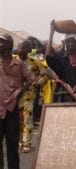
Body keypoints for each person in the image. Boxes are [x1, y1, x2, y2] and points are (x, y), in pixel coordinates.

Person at [0, 33, 35, 169]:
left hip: (12, 108)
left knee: (12, 144)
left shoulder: (19, 64)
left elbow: (31, 78)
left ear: (9, 45)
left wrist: (19, 93)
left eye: (2, 42)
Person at [46, 20, 76, 102]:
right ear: (65, 44)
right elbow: (48, 55)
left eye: (73, 42)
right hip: (66, 95)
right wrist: (52, 32)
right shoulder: (61, 57)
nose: (70, 44)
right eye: (68, 42)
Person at [16, 41, 52, 153]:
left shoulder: (34, 61)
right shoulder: (13, 60)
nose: (21, 56)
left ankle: (27, 143)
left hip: (29, 94)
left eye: (23, 54)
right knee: (19, 119)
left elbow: (45, 74)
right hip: (15, 94)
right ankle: (21, 140)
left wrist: (39, 82)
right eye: (20, 53)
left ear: (28, 52)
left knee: (27, 118)